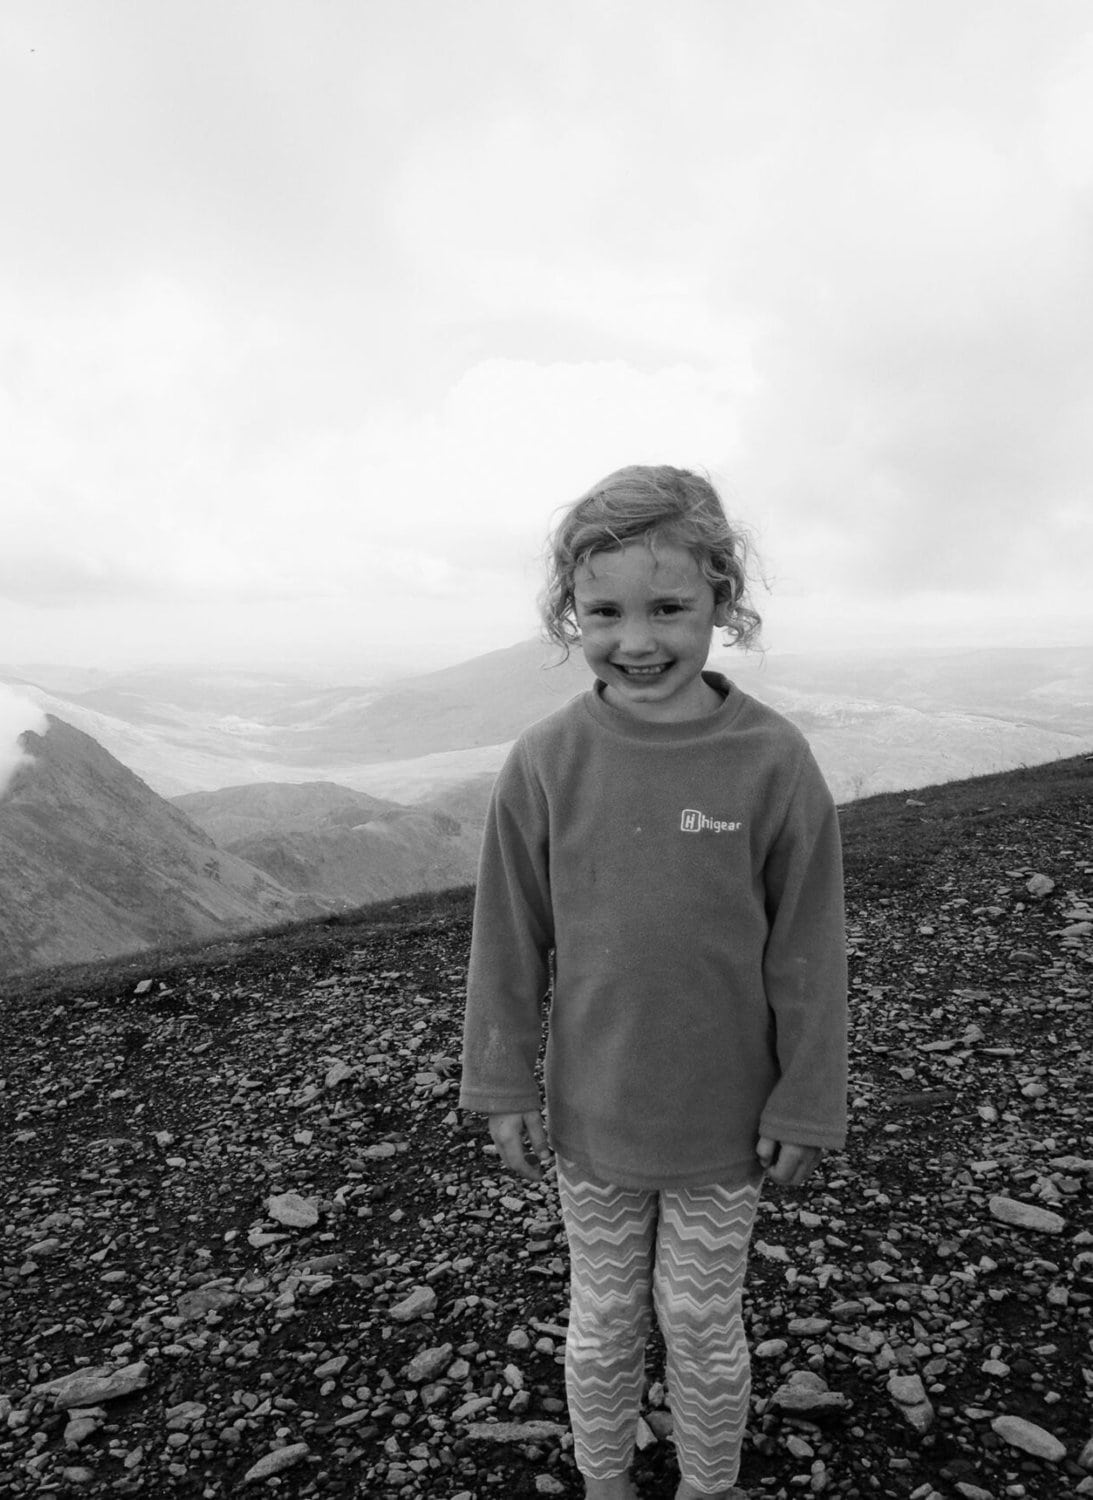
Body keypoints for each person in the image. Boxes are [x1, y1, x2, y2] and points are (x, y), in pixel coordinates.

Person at [458, 464, 848, 1500]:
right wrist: (499, 1088)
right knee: (603, 1321)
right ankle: (605, 1482)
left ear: (723, 598)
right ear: (569, 614)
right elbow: (508, 939)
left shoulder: (772, 761)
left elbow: (808, 948)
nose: (638, 639)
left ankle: (708, 1486)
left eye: (670, 608)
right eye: (604, 611)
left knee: (702, 1324)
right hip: (593, 1120)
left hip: (726, 1126)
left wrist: (809, 1097)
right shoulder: (545, 762)